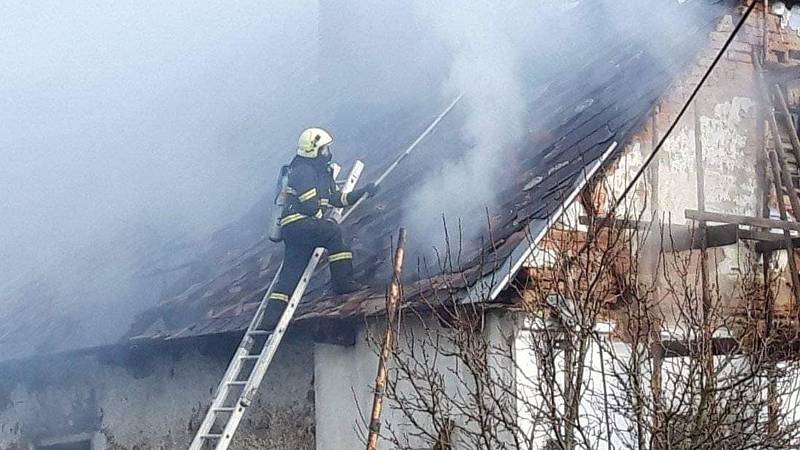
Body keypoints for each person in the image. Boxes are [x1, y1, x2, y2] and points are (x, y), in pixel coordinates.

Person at [263, 128, 378, 329]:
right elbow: (310, 205)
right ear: (314, 150)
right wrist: (320, 209)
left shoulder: (320, 173)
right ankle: (343, 283)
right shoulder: (304, 171)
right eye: (324, 149)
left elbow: (338, 199)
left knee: (290, 274)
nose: (328, 152)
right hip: (298, 224)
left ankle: (269, 320)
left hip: (295, 231)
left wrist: (363, 191)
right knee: (332, 232)